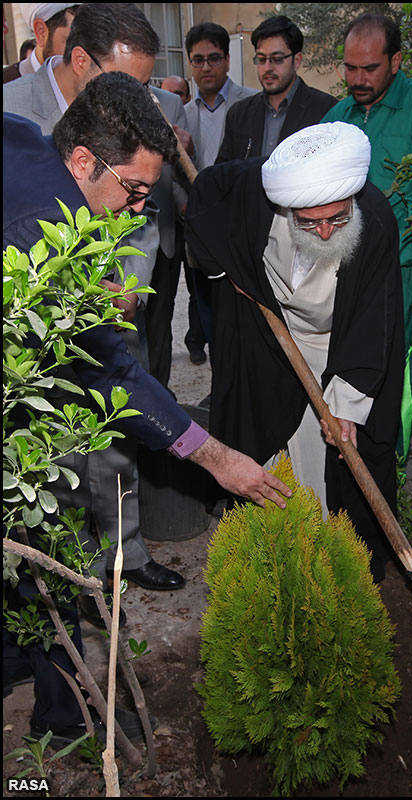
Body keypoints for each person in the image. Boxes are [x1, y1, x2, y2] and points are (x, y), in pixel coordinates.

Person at [3, 73, 291, 746]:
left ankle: (21, 661)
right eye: (132, 191)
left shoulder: (22, 137)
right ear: (82, 161)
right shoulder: (40, 235)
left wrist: (76, 286)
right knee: (51, 540)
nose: (135, 211)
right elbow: (115, 376)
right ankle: (66, 717)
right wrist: (218, 459)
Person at [3, 2, 195, 612]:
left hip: (104, 308)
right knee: (42, 470)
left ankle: (110, 558)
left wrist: (126, 287)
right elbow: (113, 371)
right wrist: (208, 452)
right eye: (126, 82)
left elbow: (138, 219)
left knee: (106, 446)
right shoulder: (29, 170)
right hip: (34, 350)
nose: (140, 99)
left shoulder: (89, 151)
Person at [185, 121, 404, 583]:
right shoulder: (250, 188)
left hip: (339, 347)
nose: (325, 232)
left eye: (338, 218)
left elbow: (374, 321)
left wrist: (345, 405)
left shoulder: (377, 219)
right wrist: (223, 274)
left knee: (338, 461)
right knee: (268, 440)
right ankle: (276, 553)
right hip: (271, 337)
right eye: (310, 221)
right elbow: (204, 192)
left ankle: (334, 560)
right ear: (286, 209)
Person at [321, 14, 412, 466]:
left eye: (369, 68)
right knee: (348, 353)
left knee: (393, 360)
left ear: (396, 61)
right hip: (342, 260)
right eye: (350, 68)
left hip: (401, 264)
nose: (358, 79)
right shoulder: (340, 114)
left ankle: (393, 462)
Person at [181, 22, 259, 359]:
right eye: (197, 60)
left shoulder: (251, 104)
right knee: (209, 310)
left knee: (248, 314)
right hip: (199, 230)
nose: (206, 67)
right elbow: (172, 177)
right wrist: (191, 211)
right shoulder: (180, 115)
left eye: (213, 58)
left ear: (227, 60)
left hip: (242, 227)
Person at [216, 15, 337, 163]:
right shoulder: (239, 115)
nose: (267, 68)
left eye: (277, 59)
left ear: (297, 61)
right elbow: (224, 175)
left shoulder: (325, 111)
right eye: (261, 59)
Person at [3, 3, 80, 84]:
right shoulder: (7, 86)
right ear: (41, 32)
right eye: (74, 40)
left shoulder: (89, 80)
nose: (83, 53)